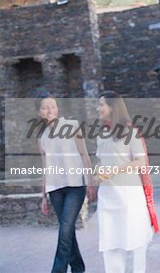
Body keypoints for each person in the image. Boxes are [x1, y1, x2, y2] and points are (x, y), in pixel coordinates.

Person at [95, 90, 159, 273]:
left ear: (112, 107)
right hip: (107, 196)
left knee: (136, 241)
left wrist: (115, 170)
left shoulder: (130, 131)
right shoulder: (101, 134)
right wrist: (97, 172)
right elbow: (101, 161)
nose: (97, 108)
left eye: (101, 104)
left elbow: (141, 161)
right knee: (110, 243)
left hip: (130, 197)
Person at [37, 95, 96, 273]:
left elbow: (84, 155)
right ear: (39, 113)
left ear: (57, 109)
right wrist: (43, 197)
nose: (49, 110)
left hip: (75, 185)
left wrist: (90, 182)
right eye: (45, 107)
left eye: (52, 106)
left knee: (65, 229)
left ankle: (58, 270)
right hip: (55, 189)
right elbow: (45, 168)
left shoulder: (72, 126)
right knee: (67, 229)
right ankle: (78, 268)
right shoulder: (41, 138)